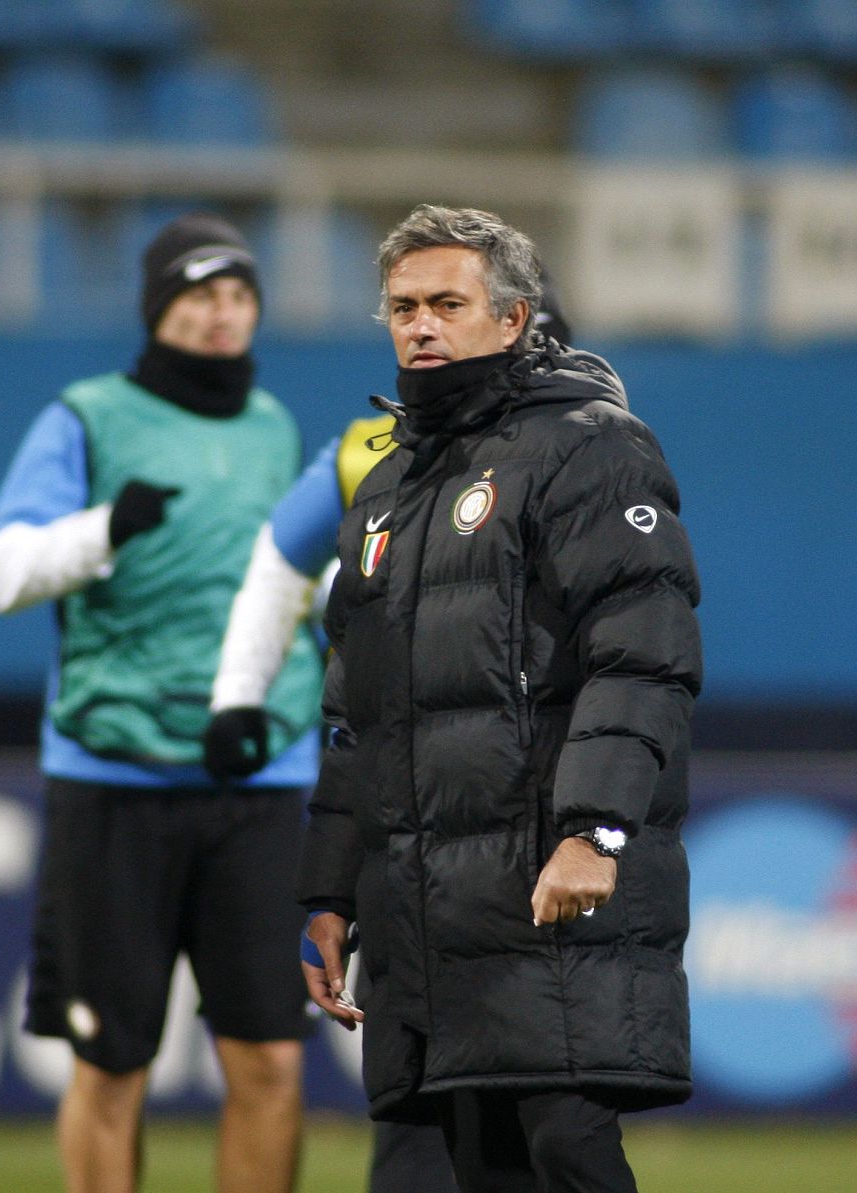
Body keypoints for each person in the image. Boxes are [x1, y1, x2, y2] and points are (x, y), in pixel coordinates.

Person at [298, 204, 701, 1193]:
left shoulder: (590, 449)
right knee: (433, 1167)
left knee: (561, 1150)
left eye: (447, 302)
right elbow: (359, 714)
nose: (420, 324)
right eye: (401, 306)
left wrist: (594, 830)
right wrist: (329, 888)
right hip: (419, 916)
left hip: (541, 887)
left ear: (513, 319)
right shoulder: (386, 490)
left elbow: (641, 652)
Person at [0, 213, 323, 1193]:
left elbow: (298, 583)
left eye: (239, 293)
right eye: (201, 292)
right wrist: (99, 530)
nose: (223, 313)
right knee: (110, 1060)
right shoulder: (84, 416)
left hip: (257, 776)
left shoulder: (275, 425)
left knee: (270, 1059)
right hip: (113, 777)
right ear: (159, 305)